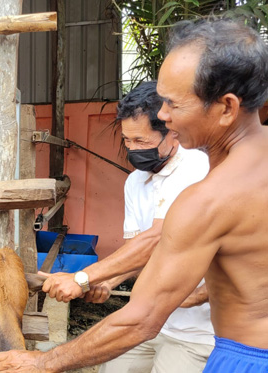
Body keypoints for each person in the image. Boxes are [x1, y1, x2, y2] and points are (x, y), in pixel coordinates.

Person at [0, 17, 268, 372]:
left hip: (244, 357)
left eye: (173, 104)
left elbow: (143, 318)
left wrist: (45, 362)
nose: (163, 115)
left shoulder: (209, 199)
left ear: (226, 107)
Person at [38, 81, 214, 372]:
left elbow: (157, 239)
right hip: (151, 318)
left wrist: (81, 278)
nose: (132, 150)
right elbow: (137, 250)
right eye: (127, 140)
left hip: (198, 331)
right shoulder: (136, 182)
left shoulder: (196, 168)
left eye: (142, 141)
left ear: (172, 132)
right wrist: (108, 282)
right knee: (113, 367)